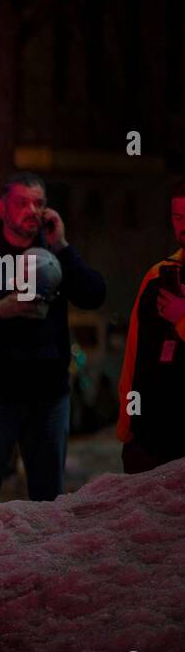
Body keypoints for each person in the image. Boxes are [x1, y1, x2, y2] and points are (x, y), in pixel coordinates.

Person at [0, 171, 107, 524]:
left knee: (50, 501)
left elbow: (93, 294)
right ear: (2, 208)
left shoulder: (53, 256)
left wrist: (62, 247)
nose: (32, 210)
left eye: (39, 203)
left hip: (47, 398)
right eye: (21, 203)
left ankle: (46, 571)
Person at [117, 179, 185, 473]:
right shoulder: (158, 276)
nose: (183, 225)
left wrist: (182, 319)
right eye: (178, 217)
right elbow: (134, 356)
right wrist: (127, 429)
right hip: (150, 445)